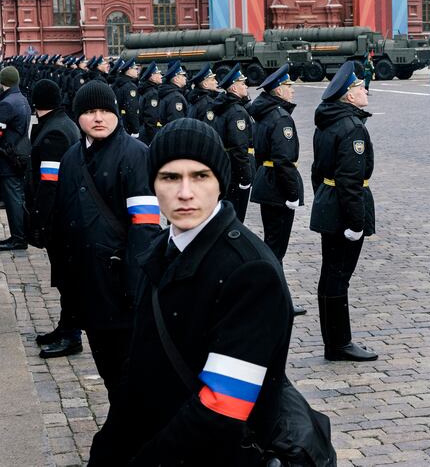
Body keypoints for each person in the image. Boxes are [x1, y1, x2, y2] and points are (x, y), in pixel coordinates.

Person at [88, 118, 293, 466]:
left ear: (220, 183)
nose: (185, 193)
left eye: (200, 176)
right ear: (154, 184)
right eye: (170, 177)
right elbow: (137, 371)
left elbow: (222, 407)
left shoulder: (250, 271)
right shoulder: (158, 250)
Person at [52, 81, 161, 404]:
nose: (98, 118)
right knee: (108, 371)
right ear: (78, 117)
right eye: (89, 112)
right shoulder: (72, 157)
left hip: (120, 288)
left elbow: (145, 226)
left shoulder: (136, 155)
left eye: (104, 111)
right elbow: (62, 220)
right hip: (86, 285)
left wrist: (134, 285)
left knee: (130, 373)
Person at [310, 61, 377, 362]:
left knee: (330, 274)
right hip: (343, 208)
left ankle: (333, 341)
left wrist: (323, 199)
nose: (365, 91)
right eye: (360, 87)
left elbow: (317, 170)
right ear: (349, 96)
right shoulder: (352, 127)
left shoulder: (327, 121)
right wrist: (356, 221)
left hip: (328, 202)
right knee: (338, 277)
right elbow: (350, 180)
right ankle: (339, 343)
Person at [26, 80, 82, 357]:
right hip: (66, 216)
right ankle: (65, 326)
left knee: (67, 277)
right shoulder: (63, 123)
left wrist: (38, 221)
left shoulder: (54, 133)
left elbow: (49, 185)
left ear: (36, 102)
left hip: (60, 218)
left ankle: (72, 335)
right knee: (65, 276)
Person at [249, 64, 307, 316]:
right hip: (277, 186)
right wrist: (293, 194)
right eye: (288, 87)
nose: (292, 91)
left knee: (273, 243)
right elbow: (284, 161)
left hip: (266, 181)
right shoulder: (281, 118)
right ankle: (276, 299)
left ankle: (275, 297)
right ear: (278, 91)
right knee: (276, 247)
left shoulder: (264, 113)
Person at [206, 64, 254, 222]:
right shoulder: (237, 112)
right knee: (236, 217)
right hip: (235, 171)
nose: (245, 86)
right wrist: (245, 177)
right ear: (233, 88)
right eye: (242, 83)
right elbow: (239, 147)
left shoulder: (223, 106)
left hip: (225, 168)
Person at [0, 65, 32, 251]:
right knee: (16, 196)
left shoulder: (7, 103)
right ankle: (18, 235)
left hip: (8, 158)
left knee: (13, 199)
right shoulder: (21, 99)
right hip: (18, 155)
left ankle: (19, 238)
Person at [113, 59, 141, 137]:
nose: (137, 71)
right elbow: (132, 109)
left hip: (120, 123)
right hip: (128, 126)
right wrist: (135, 129)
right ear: (129, 70)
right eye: (135, 69)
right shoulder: (130, 86)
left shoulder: (119, 83)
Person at [138, 61, 162, 144]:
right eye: (158, 74)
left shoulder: (148, 90)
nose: (161, 76)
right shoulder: (153, 94)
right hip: (148, 135)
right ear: (152, 77)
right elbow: (151, 118)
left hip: (144, 131)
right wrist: (153, 139)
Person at [158, 60, 189, 126]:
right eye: (182, 75)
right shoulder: (175, 97)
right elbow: (177, 124)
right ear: (176, 79)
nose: (185, 78)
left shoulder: (169, 93)